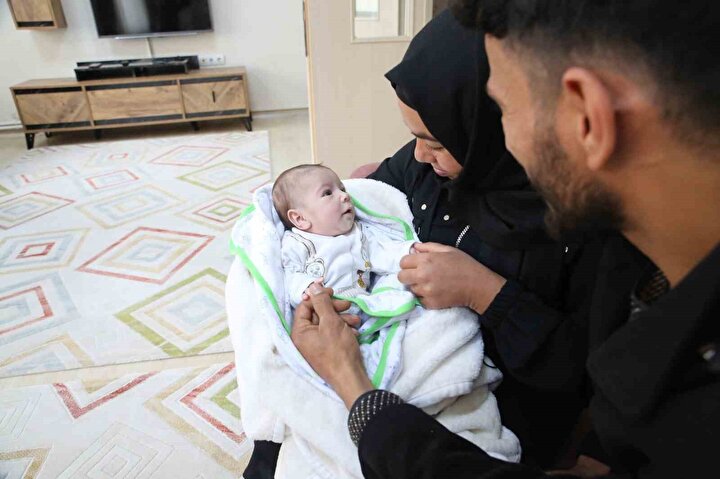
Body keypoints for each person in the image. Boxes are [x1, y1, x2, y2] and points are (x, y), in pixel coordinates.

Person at [290, 0, 720, 477]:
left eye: (506, 109)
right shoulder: (659, 289)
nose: (509, 144)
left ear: (586, 117)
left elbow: (581, 373)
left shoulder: (591, 237)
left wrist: (354, 384)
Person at [369, 8, 600, 466]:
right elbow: (365, 205)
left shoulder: (580, 220)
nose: (420, 155)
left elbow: (584, 372)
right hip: (397, 374)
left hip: (493, 423)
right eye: (416, 137)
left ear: (492, 128)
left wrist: (485, 293)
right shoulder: (425, 164)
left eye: (437, 142)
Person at [272, 164, 415, 308]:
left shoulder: (359, 233)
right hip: (323, 308)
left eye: (342, 189)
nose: (345, 196)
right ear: (300, 219)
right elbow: (291, 275)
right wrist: (307, 288)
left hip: (361, 305)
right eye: (327, 193)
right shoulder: (297, 243)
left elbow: (383, 253)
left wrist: (409, 252)